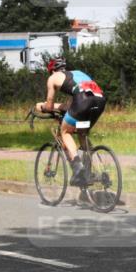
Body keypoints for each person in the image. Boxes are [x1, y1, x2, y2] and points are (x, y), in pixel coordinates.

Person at [34, 56, 106, 186]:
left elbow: (49, 107)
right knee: (82, 132)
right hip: (99, 101)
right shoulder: (77, 74)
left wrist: (41, 106)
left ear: (51, 71)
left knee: (65, 131)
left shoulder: (52, 78)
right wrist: (59, 106)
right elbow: (71, 105)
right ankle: (89, 172)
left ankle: (78, 168)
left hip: (83, 102)